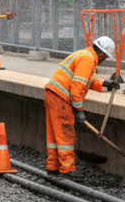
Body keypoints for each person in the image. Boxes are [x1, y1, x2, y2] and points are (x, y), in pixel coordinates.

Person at [44, 35, 118, 177]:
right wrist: (79, 110)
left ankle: (52, 168)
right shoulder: (88, 60)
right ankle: (67, 170)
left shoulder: (84, 55)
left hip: (52, 94)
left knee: (54, 135)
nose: (105, 59)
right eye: (106, 56)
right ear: (102, 53)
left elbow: (88, 81)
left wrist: (105, 84)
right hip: (61, 99)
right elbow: (77, 88)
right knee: (66, 135)